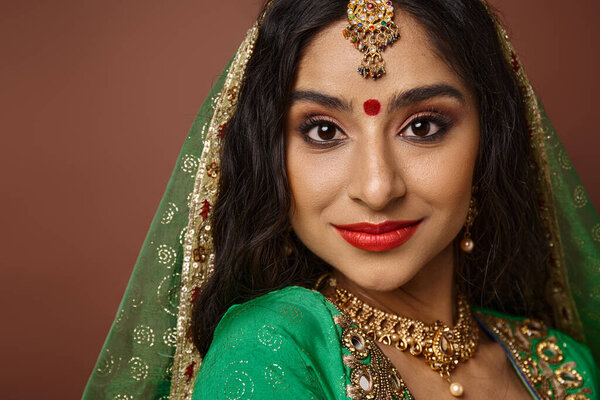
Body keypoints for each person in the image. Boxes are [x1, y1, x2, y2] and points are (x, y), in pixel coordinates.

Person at [83, 0, 600, 399]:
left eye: (422, 126)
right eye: (324, 131)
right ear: (269, 155)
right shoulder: (272, 348)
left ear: (491, 142)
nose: (377, 188)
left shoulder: (564, 368)